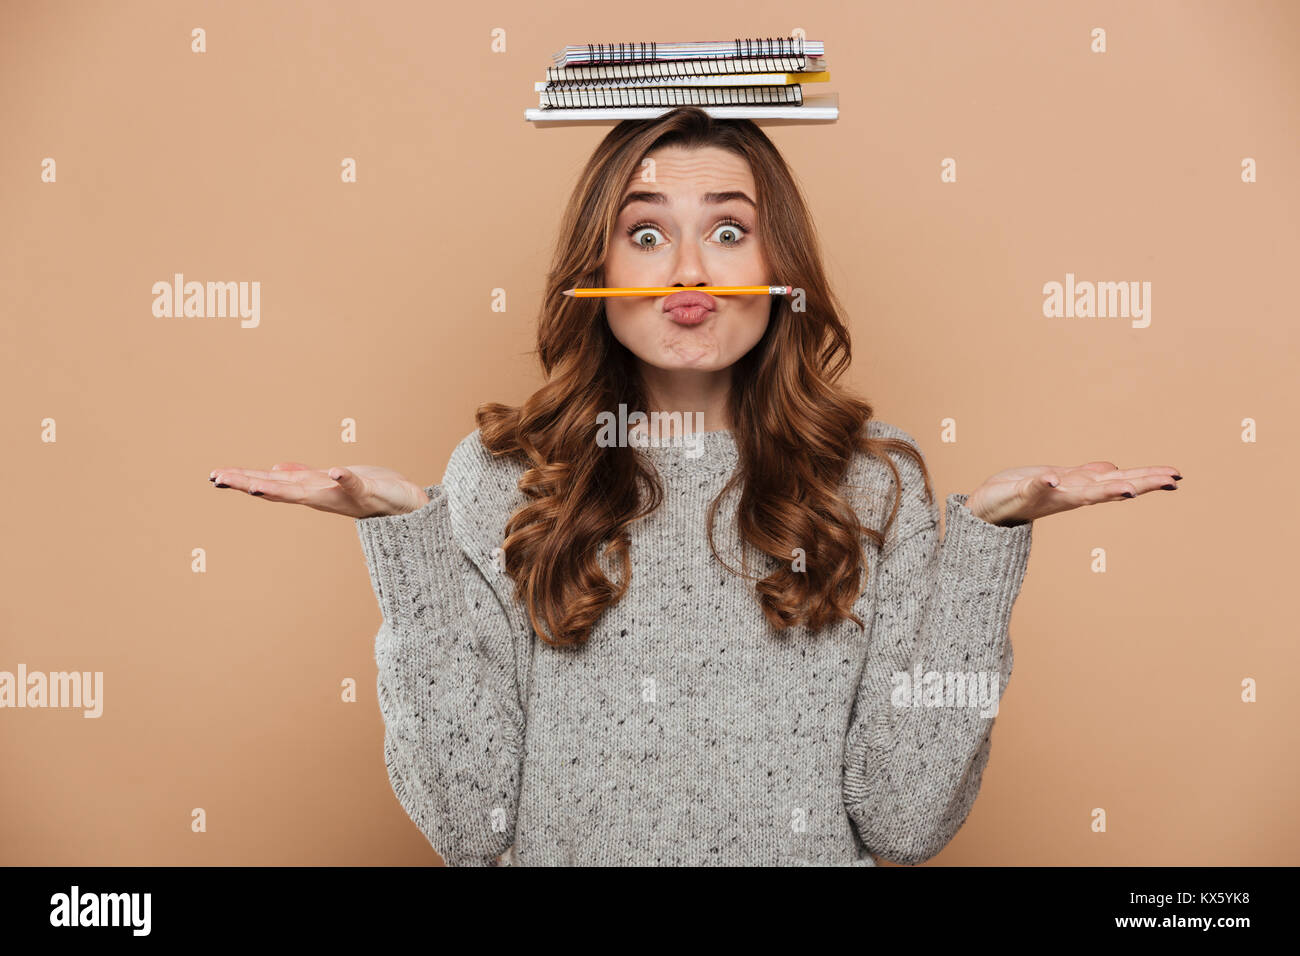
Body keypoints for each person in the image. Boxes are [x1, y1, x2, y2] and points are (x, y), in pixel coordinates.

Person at [209, 106, 1182, 866]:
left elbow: (905, 818)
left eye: (727, 231)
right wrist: (409, 547)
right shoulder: (504, 478)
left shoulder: (872, 482)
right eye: (644, 233)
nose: (686, 268)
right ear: (595, 264)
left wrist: (986, 548)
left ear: (779, 267)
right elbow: (470, 822)